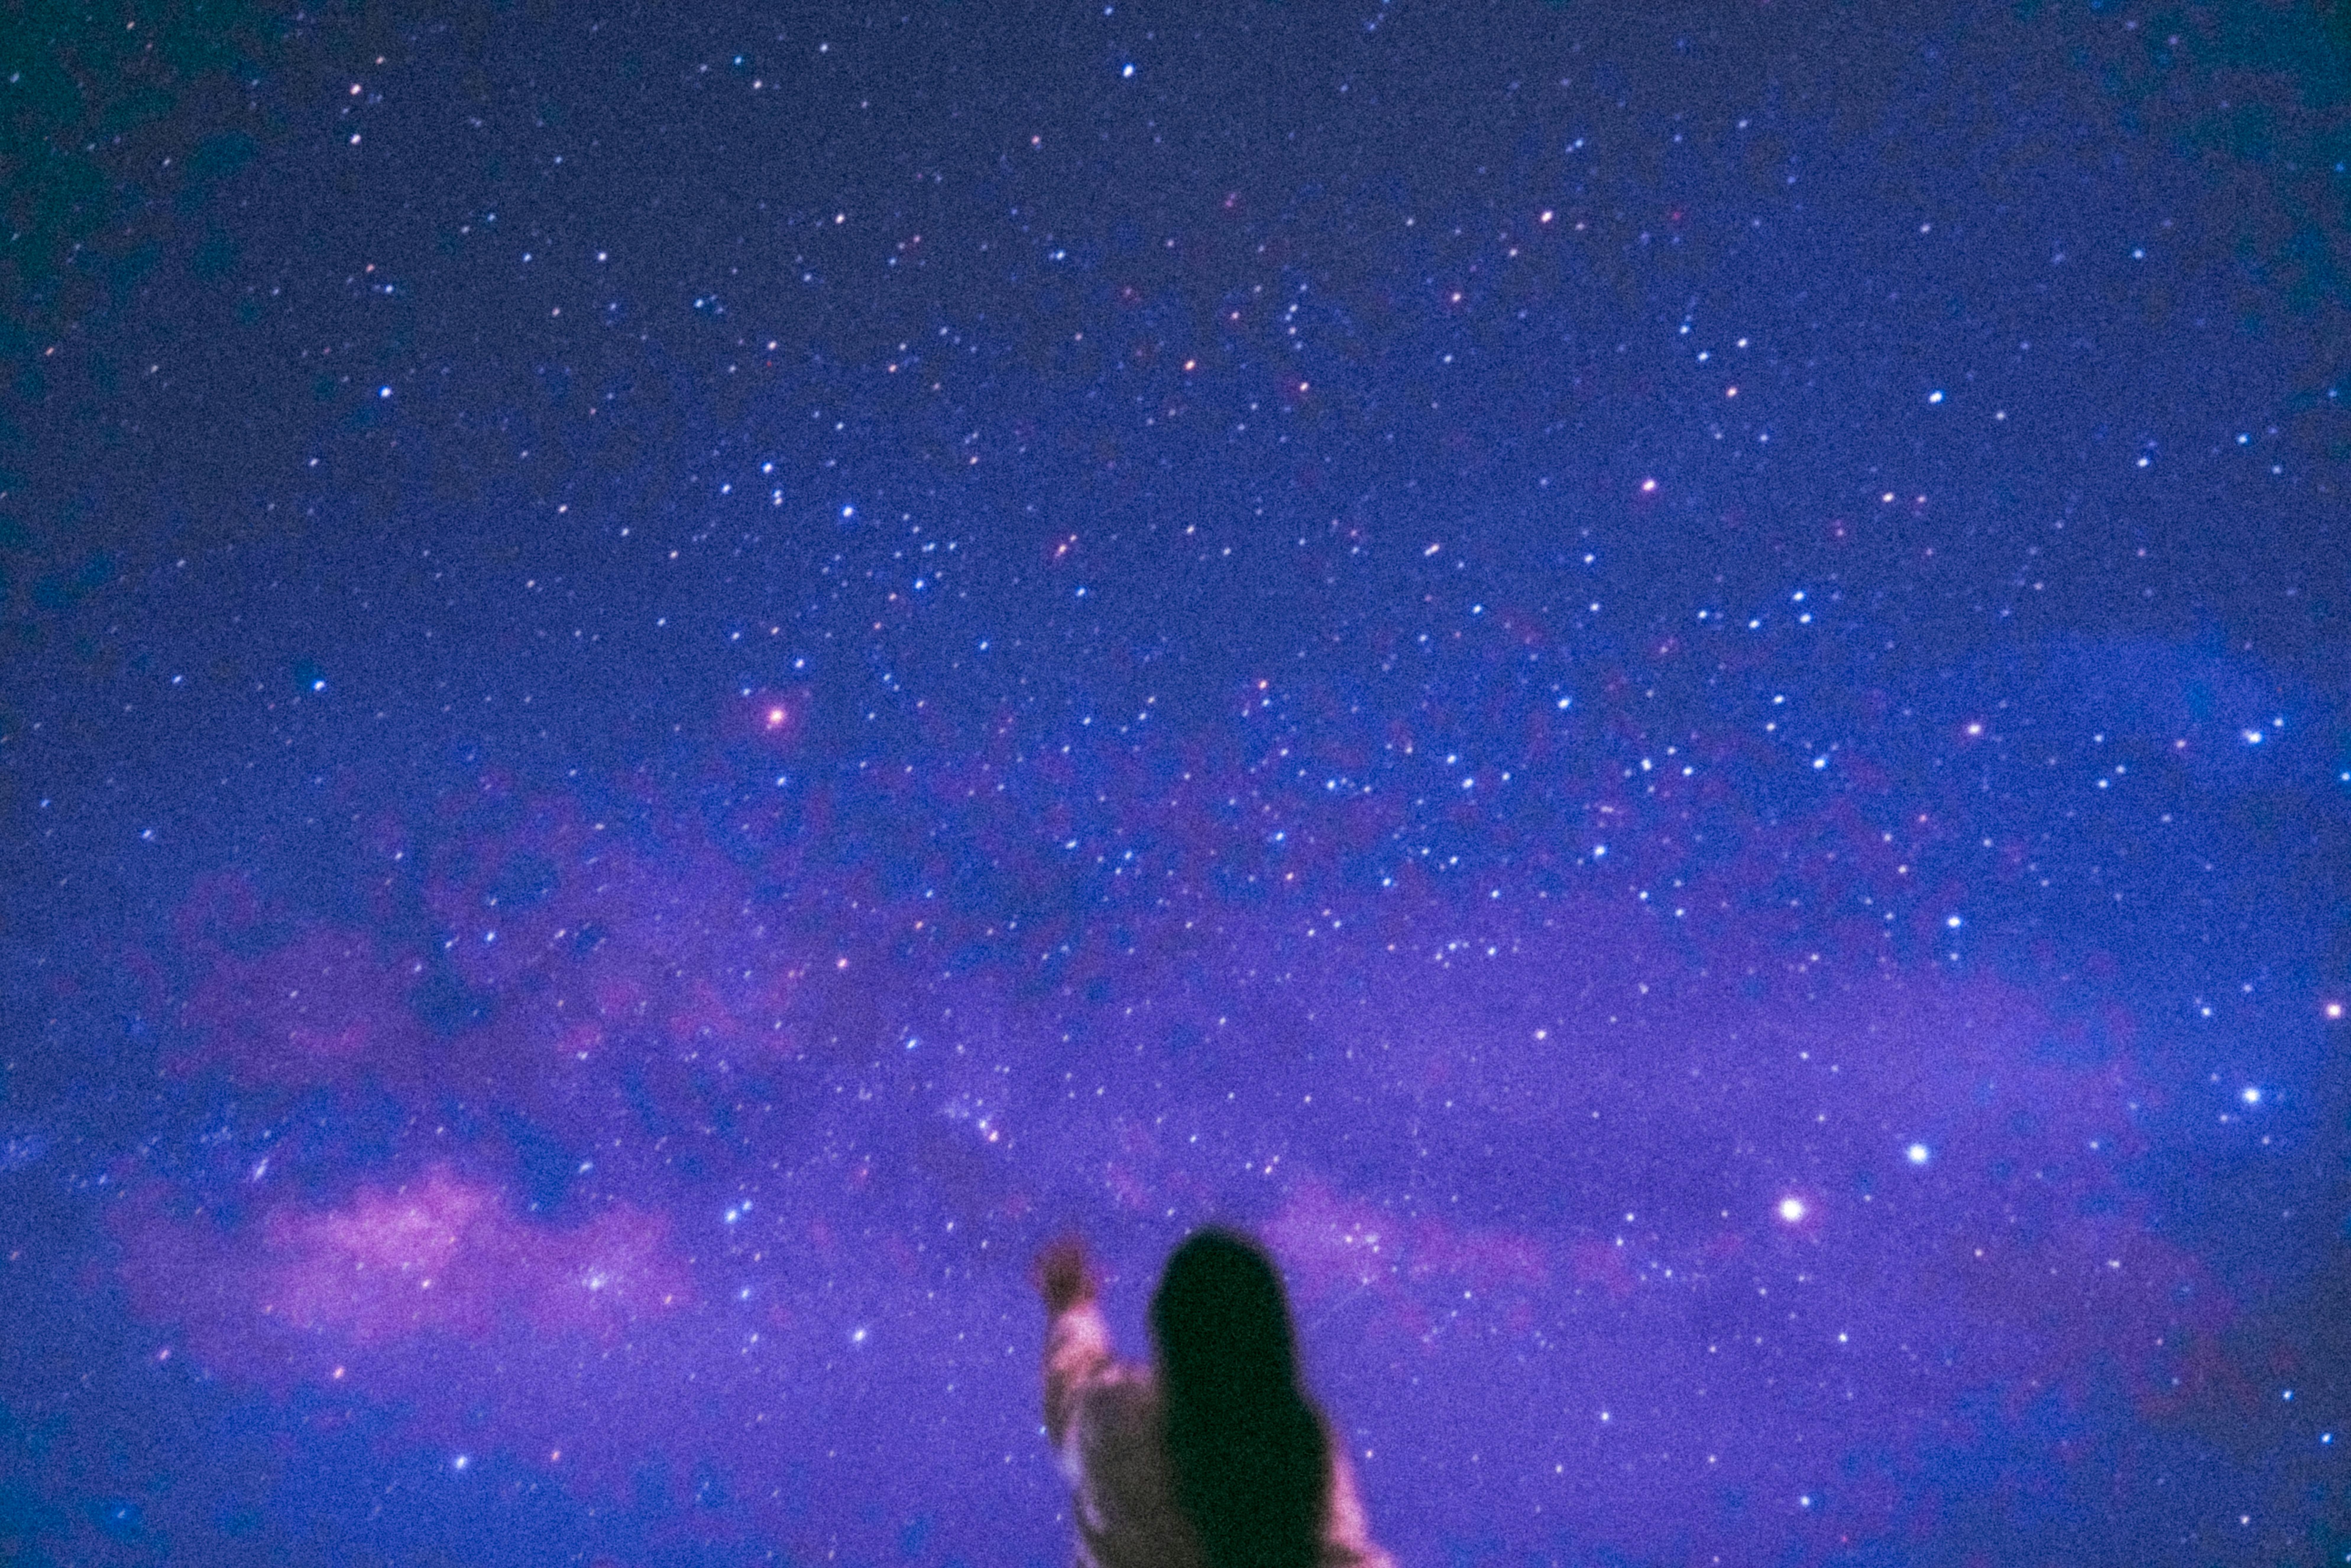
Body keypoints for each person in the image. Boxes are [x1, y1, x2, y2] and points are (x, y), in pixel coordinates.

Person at [1033, 1225, 1396, 1568]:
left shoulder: (1119, 1422)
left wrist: (1071, 1308)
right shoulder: (1300, 1445)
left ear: (1168, 1325)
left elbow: (1072, 1390)